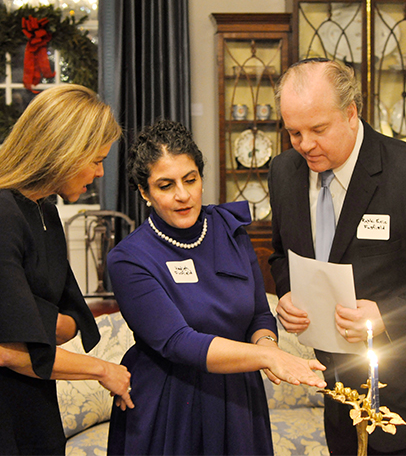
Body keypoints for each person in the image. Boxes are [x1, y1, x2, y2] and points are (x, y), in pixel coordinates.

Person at [106, 119, 326, 456]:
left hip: (238, 396)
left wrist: (267, 344)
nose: (183, 195)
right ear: (144, 193)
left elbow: (257, 314)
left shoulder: (229, 228)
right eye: (165, 186)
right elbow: (178, 342)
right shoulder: (129, 258)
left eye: (190, 180)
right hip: (171, 403)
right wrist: (266, 355)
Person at [268, 57, 406, 455]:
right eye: (294, 132)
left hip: (402, 386)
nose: (305, 145)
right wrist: (288, 293)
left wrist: (387, 316)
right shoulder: (284, 172)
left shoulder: (403, 171)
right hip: (336, 386)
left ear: (351, 113)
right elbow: (280, 255)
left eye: (317, 129)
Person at [0, 84, 134, 456]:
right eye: (95, 160)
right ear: (63, 152)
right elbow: (10, 352)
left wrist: (36, 321)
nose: (101, 172)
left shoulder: (45, 210)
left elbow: (72, 318)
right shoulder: (4, 213)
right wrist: (103, 370)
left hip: (35, 404)